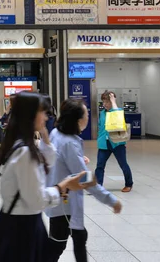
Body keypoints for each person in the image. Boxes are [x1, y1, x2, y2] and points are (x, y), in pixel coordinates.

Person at [0, 92, 88, 261]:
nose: (47, 117)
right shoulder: (24, 153)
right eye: (43, 112)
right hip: (21, 225)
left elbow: (46, 164)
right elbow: (36, 200)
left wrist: (45, 138)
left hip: (23, 221)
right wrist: (62, 187)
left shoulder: (22, 144)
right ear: (31, 115)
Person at [46, 98, 122, 262]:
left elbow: (57, 159)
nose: (89, 115)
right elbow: (86, 179)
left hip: (60, 200)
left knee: (78, 238)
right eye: (86, 112)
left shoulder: (56, 133)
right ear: (78, 119)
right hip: (65, 204)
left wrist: (77, 159)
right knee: (58, 245)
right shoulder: (69, 143)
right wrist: (111, 200)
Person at [95, 91, 134, 192]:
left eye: (107, 102)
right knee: (100, 165)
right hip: (104, 142)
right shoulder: (102, 113)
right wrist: (99, 137)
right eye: (103, 102)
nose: (104, 104)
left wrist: (113, 101)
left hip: (117, 143)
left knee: (123, 164)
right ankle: (98, 186)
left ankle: (129, 184)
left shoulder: (118, 111)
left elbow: (118, 119)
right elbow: (100, 126)